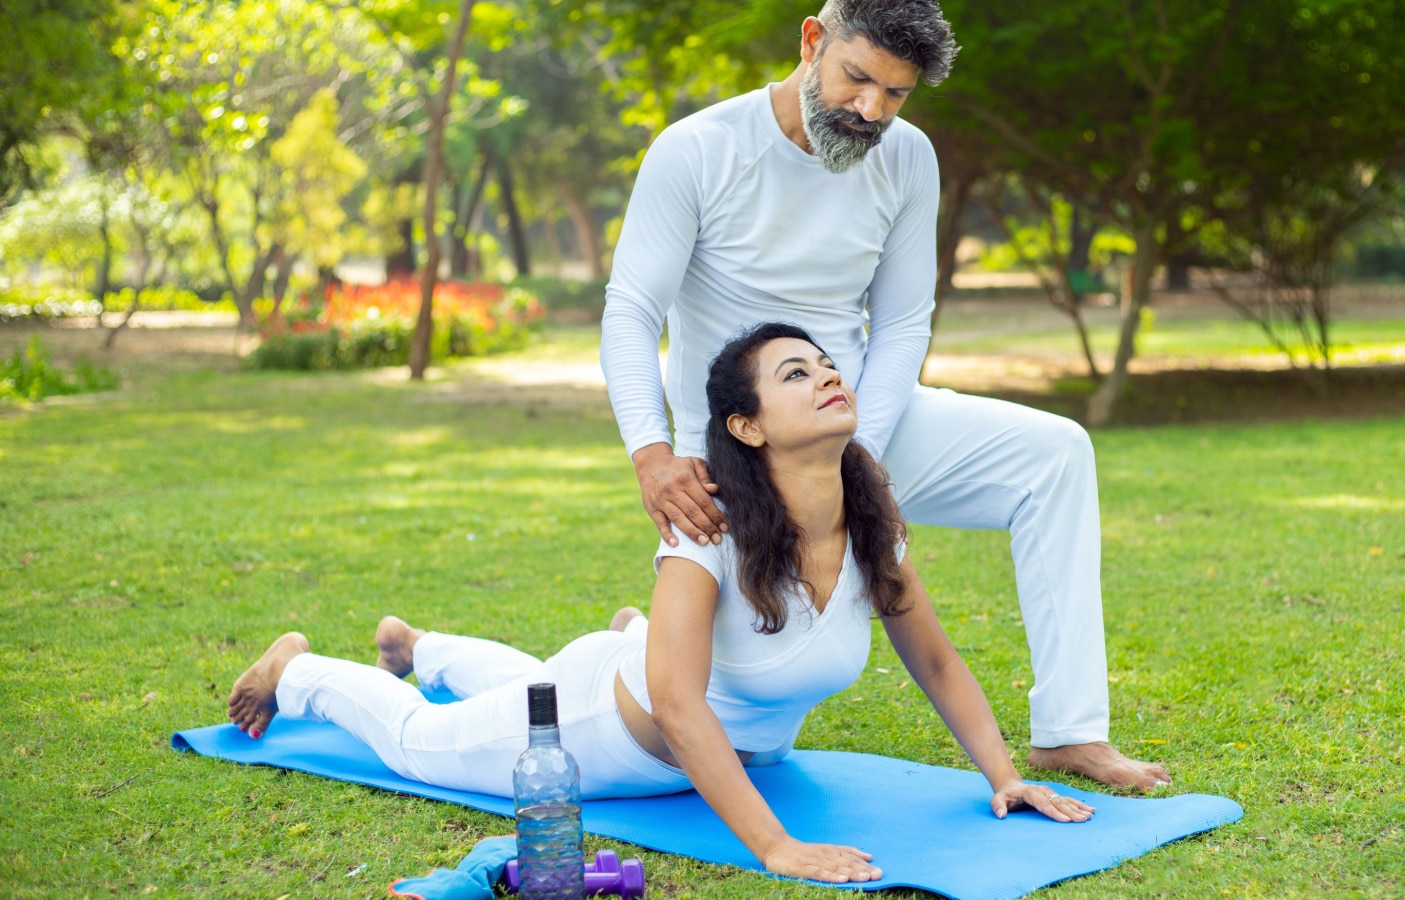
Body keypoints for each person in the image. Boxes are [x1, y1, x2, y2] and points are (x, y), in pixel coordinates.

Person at [226, 324, 1094, 884]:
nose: (829, 377)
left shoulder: (869, 518)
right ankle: (299, 670)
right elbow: (678, 703)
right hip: (606, 733)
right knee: (419, 742)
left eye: (829, 366)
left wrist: (1005, 775)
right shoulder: (708, 526)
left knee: (535, 677)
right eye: (798, 373)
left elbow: (935, 660)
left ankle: (424, 646)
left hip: (702, 722)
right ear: (747, 426)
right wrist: (775, 847)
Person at [599, 0, 1170, 788]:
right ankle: (623, 645)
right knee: (740, 689)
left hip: (856, 419)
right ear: (811, 42)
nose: (870, 110)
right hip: (739, 444)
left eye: (894, 94)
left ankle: (1070, 731)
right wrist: (652, 451)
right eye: (856, 78)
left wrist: (858, 453)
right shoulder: (696, 149)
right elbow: (632, 309)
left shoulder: (908, 157)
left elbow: (903, 322)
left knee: (1055, 454)